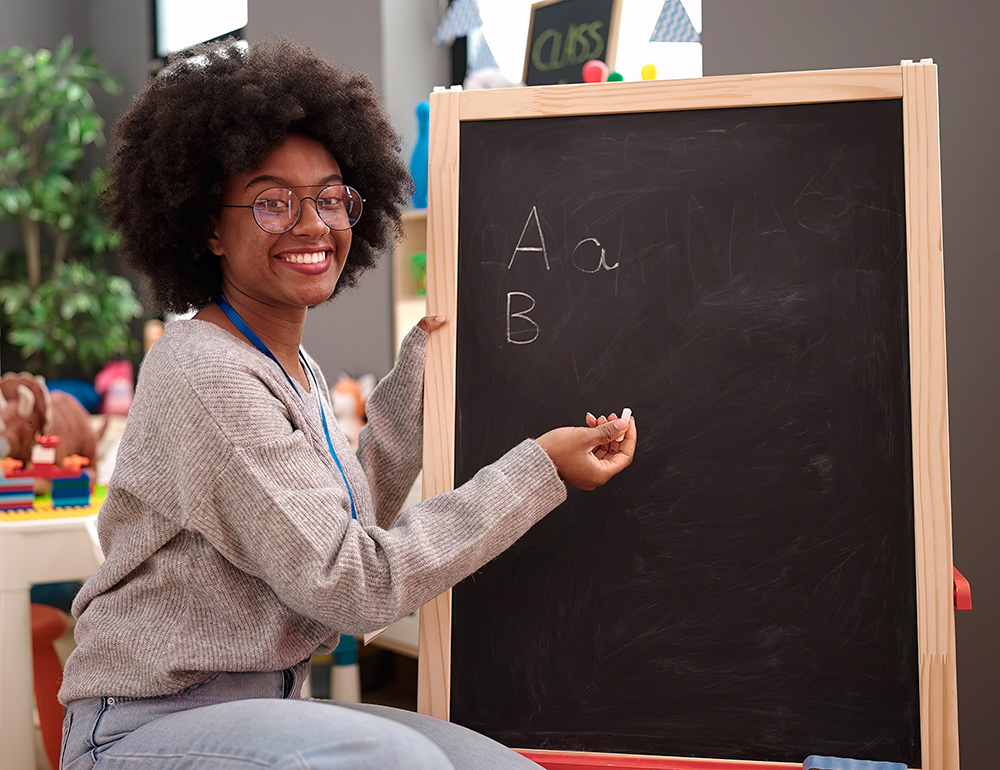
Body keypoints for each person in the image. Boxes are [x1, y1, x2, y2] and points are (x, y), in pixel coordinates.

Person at [58, 38, 637, 770]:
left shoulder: (284, 361)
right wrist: (538, 472)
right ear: (207, 225)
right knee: (399, 760)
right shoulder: (206, 372)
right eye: (273, 203)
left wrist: (421, 374)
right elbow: (355, 583)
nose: (314, 224)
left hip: (261, 710)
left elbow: (345, 523)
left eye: (331, 198)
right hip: (141, 727)